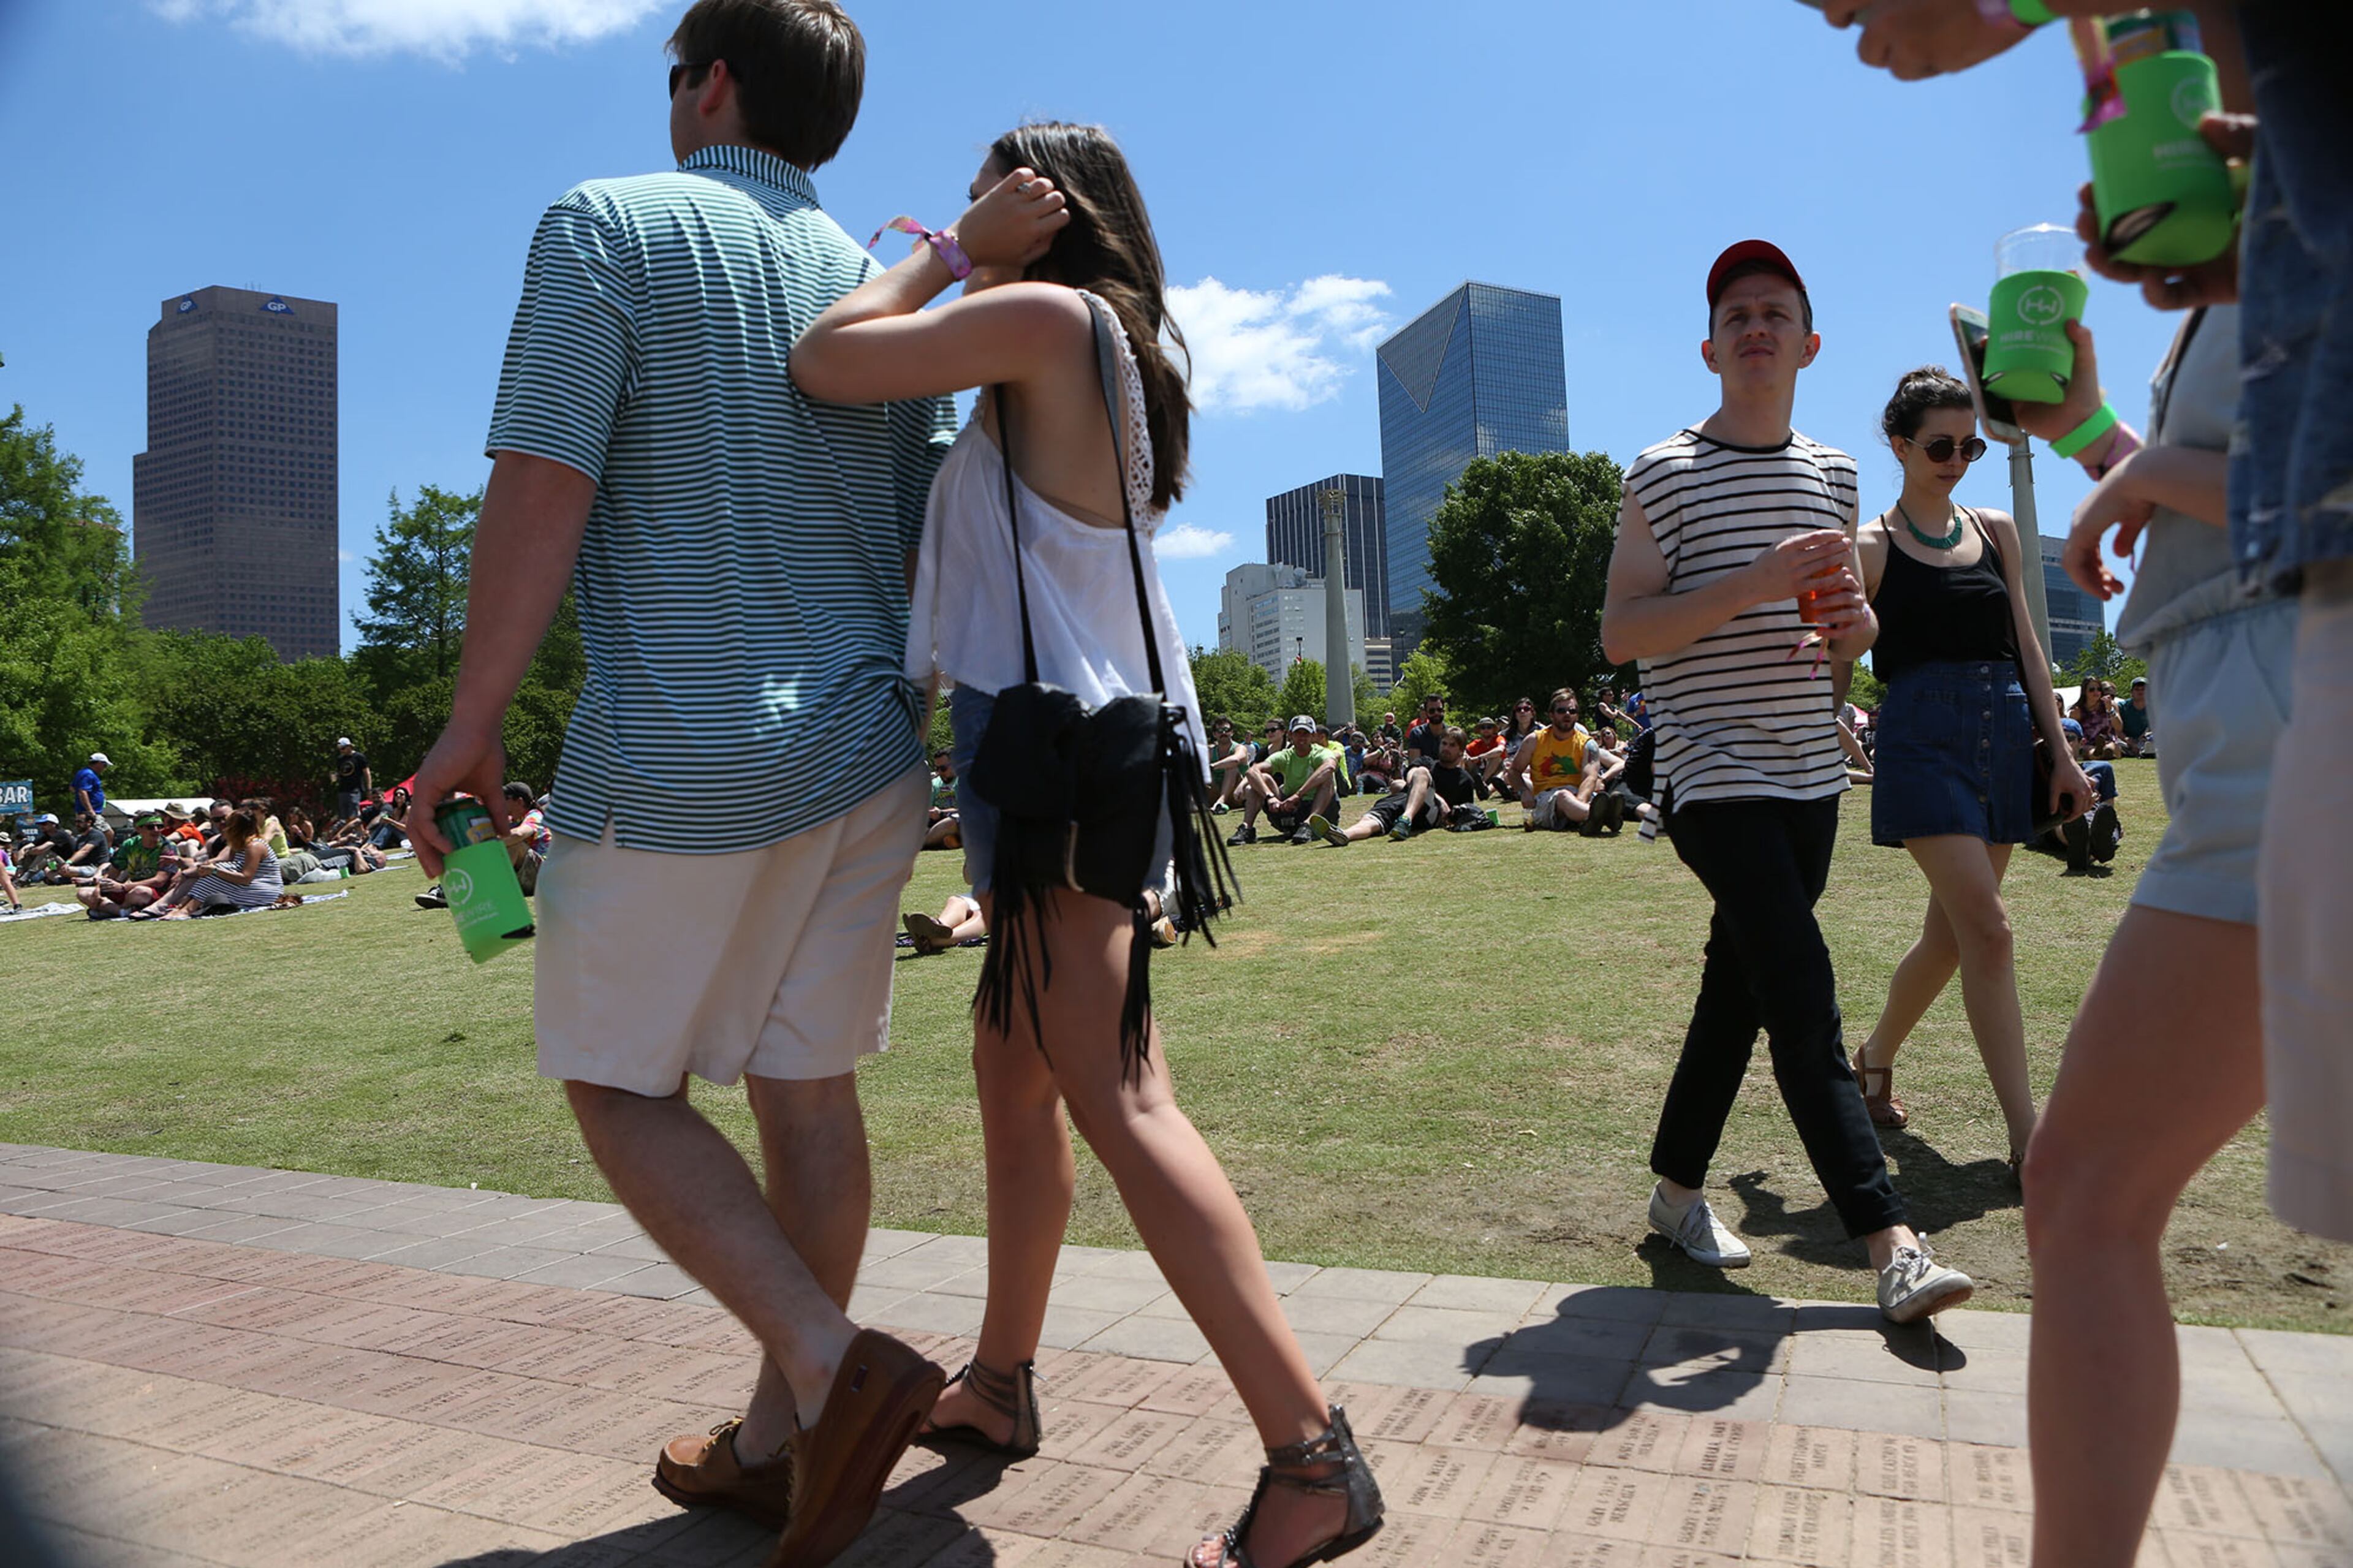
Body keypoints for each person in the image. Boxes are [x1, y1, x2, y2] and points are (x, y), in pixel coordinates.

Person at [404, 6, 960, 1561]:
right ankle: (783, 1443)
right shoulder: (881, 289)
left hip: (680, 741)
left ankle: (832, 1365)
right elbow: (926, 545)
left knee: (611, 1077)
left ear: (708, 85)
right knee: (809, 1092)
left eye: (674, 73)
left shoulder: (609, 224)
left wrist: (473, 720)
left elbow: (543, 473)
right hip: (863, 753)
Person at [791, 119, 1383, 1568]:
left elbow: (828, 357)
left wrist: (944, 254)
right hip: (1057, 747)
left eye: (1005, 181)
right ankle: (999, 1380)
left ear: (1049, 209)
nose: (979, 199)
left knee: (1120, 1097)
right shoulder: (1094, 343)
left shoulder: (1049, 317)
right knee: (1017, 1076)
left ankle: (1310, 1456)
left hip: (1055, 755)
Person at [1599, 239, 1973, 1324]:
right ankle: (1888, 1237)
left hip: (1811, 774)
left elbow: (1844, 639)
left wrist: (1858, 623)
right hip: (1710, 773)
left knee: (1739, 985)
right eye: (1736, 314)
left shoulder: (1836, 474)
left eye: (1775, 312)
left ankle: (1675, 1191)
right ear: (1710, 348)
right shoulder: (1662, 471)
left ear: (1809, 344)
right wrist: (1756, 579)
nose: (1755, 326)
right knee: (1802, 996)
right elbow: (1623, 633)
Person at [1847, 368, 2088, 1172]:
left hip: (2005, 731)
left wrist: (2059, 749)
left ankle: (1874, 1057)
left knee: (1951, 937)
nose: (1957, 458)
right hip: (1921, 739)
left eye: (1970, 445)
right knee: (1988, 927)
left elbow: (2028, 645)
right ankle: (2031, 1136)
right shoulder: (1872, 546)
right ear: (1901, 446)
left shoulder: (1996, 530)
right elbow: (1839, 656)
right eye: (1940, 445)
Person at [1310, 726, 1480, 845]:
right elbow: (1411, 775)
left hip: (1430, 816)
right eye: (1444, 743)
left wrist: (1440, 805)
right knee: (1376, 817)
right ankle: (1344, 834)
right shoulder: (1428, 762)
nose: (1446, 748)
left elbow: (1464, 813)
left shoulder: (1465, 780)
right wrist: (1436, 795)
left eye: (1452, 745)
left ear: (1461, 751)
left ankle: (1406, 819)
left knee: (1419, 775)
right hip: (1404, 802)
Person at [135, 808, 282, 918]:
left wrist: (213, 871)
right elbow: (215, 862)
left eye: (227, 824)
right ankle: (179, 907)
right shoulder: (240, 844)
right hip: (250, 886)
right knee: (210, 871)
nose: (223, 827)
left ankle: (185, 910)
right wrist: (188, 869)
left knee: (213, 873)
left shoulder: (254, 846)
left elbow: (246, 878)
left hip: (265, 891)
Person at [1512, 689, 1617, 834]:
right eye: (1561, 711)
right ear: (1551, 715)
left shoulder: (1588, 744)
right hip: (1546, 798)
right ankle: (1604, 817)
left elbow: (1590, 777)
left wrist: (1580, 801)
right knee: (1564, 796)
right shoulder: (1534, 740)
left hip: (1581, 795)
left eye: (1572, 711)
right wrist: (1524, 791)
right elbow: (1514, 771)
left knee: (1572, 797)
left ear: (1577, 715)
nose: (1567, 714)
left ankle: (1588, 816)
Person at [1231, 717, 1342, 847]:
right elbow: (1252, 771)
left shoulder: (1321, 753)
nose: (1302, 738)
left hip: (1320, 811)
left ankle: (1310, 824)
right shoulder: (1285, 755)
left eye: (1305, 733)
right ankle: (1247, 828)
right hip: (1290, 809)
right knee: (1256, 784)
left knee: (1327, 778)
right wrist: (1270, 797)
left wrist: (1298, 795)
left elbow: (1330, 766)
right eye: (1297, 733)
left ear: (1313, 736)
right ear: (1290, 735)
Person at [77, 814, 178, 919]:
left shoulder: (168, 847)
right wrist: (99, 889)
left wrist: (123, 887)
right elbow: (113, 873)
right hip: (131, 890)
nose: (156, 830)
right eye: (150, 827)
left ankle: (112, 910)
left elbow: (160, 881)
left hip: (157, 893)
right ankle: (125, 911)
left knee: (140, 892)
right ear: (138, 829)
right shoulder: (129, 845)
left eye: (160, 826)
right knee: (84, 893)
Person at [1206, 718, 1252, 812]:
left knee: (1232, 768)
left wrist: (1212, 767)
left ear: (1232, 732)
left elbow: (1235, 760)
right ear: (1215, 734)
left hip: (1237, 794)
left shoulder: (1240, 748)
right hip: (1215, 792)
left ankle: (1221, 802)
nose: (1223, 733)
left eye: (1226, 730)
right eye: (1219, 731)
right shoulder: (1210, 751)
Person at [925, 748, 961, 849]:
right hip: (935, 824)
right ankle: (949, 842)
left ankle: (922, 843)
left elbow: (966, 810)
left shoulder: (963, 781)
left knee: (955, 821)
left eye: (943, 768)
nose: (940, 772)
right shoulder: (934, 784)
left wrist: (941, 813)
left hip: (955, 820)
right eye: (937, 768)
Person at [333, 738, 372, 820]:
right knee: (343, 816)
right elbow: (340, 773)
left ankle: (354, 831)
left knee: (353, 814)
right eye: (340, 749)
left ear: (349, 747)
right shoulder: (340, 759)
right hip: (342, 790)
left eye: (343, 748)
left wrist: (369, 789)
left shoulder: (359, 757)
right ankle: (345, 831)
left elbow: (367, 773)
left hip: (354, 790)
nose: (342, 751)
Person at [2118, 675, 2152, 756]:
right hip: (2126, 741)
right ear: (2132, 692)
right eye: (2137, 689)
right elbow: (2117, 730)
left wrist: (2148, 735)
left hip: (2146, 741)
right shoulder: (2122, 707)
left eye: (2143, 689)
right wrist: (2128, 741)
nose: (2140, 692)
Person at [71, 754, 107, 819]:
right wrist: (90, 810)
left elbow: (72, 788)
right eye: (105, 765)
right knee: (107, 830)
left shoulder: (82, 772)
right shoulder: (88, 774)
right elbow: (82, 792)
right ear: (99, 763)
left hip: (86, 812)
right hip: (90, 814)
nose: (105, 768)